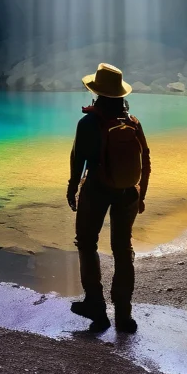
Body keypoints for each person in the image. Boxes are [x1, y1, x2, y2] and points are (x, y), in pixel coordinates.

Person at [66, 62, 150, 334]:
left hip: (98, 189)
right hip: (128, 193)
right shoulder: (132, 122)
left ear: (98, 93)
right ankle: (124, 316)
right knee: (123, 251)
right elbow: (145, 160)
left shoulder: (89, 122)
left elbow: (78, 160)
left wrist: (72, 187)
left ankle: (96, 306)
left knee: (87, 243)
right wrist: (143, 196)